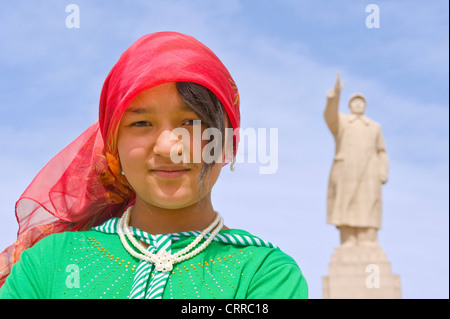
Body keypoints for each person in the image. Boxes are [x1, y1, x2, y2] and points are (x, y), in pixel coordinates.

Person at [0, 31, 308, 299]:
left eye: (191, 122)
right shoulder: (48, 263)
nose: (167, 147)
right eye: (141, 123)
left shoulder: (263, 273)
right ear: (112, 149)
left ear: (226, 142)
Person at [324, 73, 389, 247]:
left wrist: (383, 171)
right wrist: (333, 97)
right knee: (345, 203)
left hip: (369, 170)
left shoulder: (374, 127)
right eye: (355, 101)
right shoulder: (343, 122)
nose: (358, 104)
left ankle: (368, 237)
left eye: (361, 102)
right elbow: (330, 117)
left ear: (365, 106)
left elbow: (381, 150)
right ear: (349, 105)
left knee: (369, 203)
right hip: (346, 169)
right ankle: (348, 238)